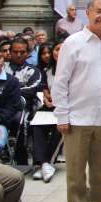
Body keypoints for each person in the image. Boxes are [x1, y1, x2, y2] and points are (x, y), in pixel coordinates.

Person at [52, 0, 101, 202]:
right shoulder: (73, 43)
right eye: (98, 11)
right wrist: (62, 115)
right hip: (77, 120)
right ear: (88, 13)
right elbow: (60, 82)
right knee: (75, 174)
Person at [31, 41, 62, 183]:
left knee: (58, 126)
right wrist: (47, 99)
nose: (58, 52)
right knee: (36, 123)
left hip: (66, 108)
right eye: (56, 49)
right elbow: (45, 90)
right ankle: (42, 164)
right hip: (51, 106)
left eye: (62, 49)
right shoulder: (47, 71)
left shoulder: (75, 69)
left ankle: (45, 162)